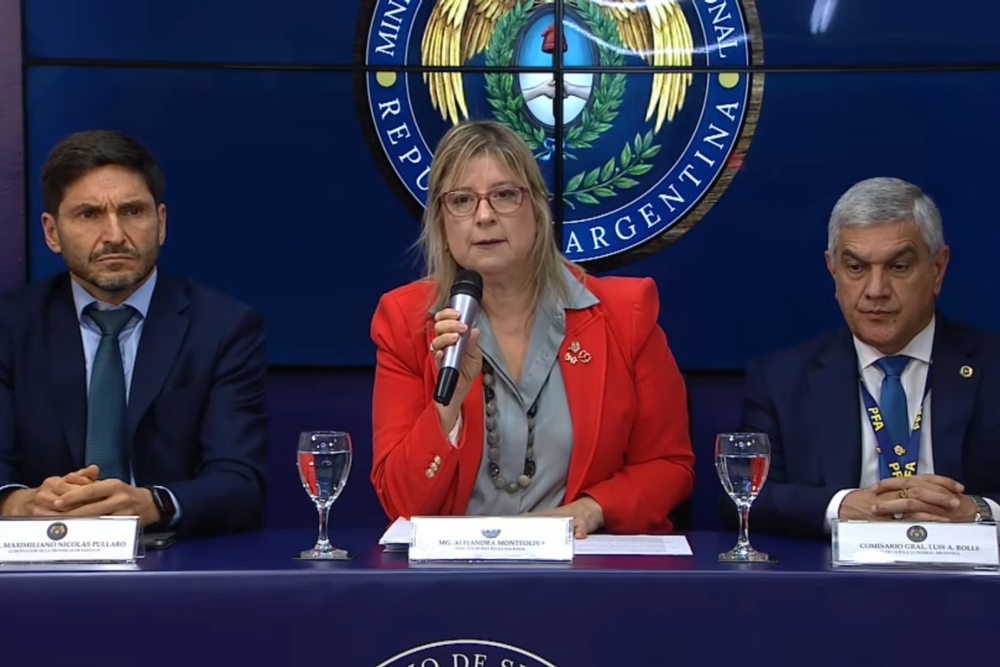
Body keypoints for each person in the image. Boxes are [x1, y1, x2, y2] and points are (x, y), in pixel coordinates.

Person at [369, 120, 695, 537]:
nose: (484, 216)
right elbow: (401, 504)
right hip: (457, 570)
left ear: (538, 210)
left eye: (504, 195)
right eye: (462, 200)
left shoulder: (625, 314)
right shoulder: (406, 323)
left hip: (581, 565)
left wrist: (590, 510)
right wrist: (448, 405)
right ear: (442, 226)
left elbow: (668, 465)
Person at [0, 130, 268, 539]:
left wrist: (153, 504)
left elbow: (240, 482)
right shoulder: (10, 327)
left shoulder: (224, 327)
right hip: (40, 558)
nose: (114, 236)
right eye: (88, 215)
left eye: (132, 211)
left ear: (161, 223)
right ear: (52, 232)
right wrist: (18, 503)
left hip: (170, 560)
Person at [732, 176, 1000, 540]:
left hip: (967, 571)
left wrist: (978, 511)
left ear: (937, 269)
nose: (876, 291)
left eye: (898, 267)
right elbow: (744, 497)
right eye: (856, 268)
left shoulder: (992, 367)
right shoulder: (781, 379)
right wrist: (841, 507)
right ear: (833, 271)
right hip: (834, 573)